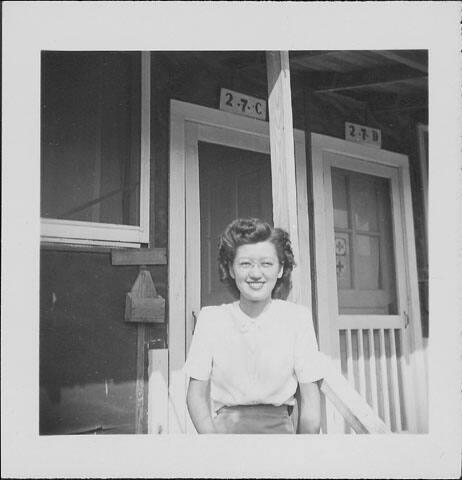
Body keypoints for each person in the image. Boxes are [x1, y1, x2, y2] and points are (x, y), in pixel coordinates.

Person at [184, 218, 325, 434]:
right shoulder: (212, 319)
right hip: (225, 441)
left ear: (280, 269)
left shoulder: (297, 318)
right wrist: (212, 449)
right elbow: (195, 396)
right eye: (245, 264)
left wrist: (301, 458)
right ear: (231, 269)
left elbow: (311, 402)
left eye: (266, 264)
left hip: (281, 440)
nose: (256, 274)